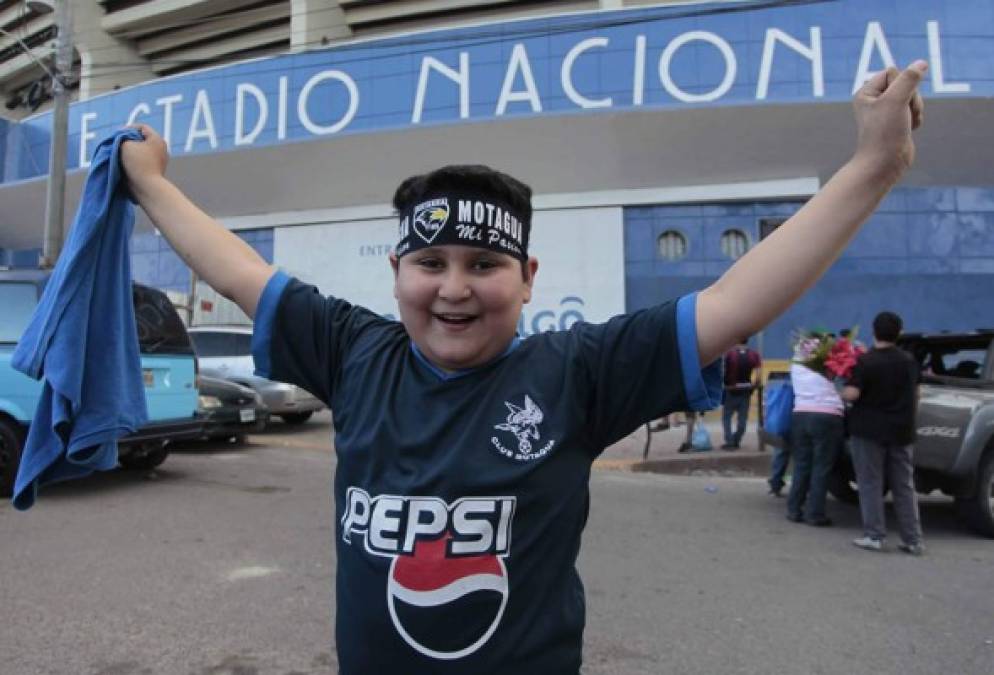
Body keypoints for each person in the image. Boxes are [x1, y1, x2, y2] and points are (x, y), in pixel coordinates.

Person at [119, 61, 926, 673]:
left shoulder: (577, 370)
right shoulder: (353, 350)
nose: (454, 288)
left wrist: (871, 167)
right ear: (398, 271)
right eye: (429, 262)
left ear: (529, 277)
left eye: (483, 264)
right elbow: (235, 270)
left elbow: (735, 301)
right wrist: (152, 185)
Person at [842, 311, 924, 554]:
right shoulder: (909, 361)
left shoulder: (866, 361)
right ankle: (913, 539)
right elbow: (917, 393)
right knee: (904, 485)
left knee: (870, 483)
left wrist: (842, 390)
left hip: (869, 431)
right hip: (902, 430)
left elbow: (853, 394)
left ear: (873, 331)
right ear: (898, 333)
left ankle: (875, 535)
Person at [785, 336, 845, 526]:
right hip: (827, 416)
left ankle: (794, 509)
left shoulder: (796, 365)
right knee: (821, 466)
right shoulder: (827, 364)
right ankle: (815, 513)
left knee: (802, 464)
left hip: (800, 414)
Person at [721, 337, 761, 449]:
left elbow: (723, 371)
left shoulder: (729, 354)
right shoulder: (754, 355)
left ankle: (729, 442)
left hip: (731, 389)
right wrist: (753, 386)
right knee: (742, 419)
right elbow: (758, 376)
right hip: (746, 390)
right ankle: (736, 439)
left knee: (726, 417)